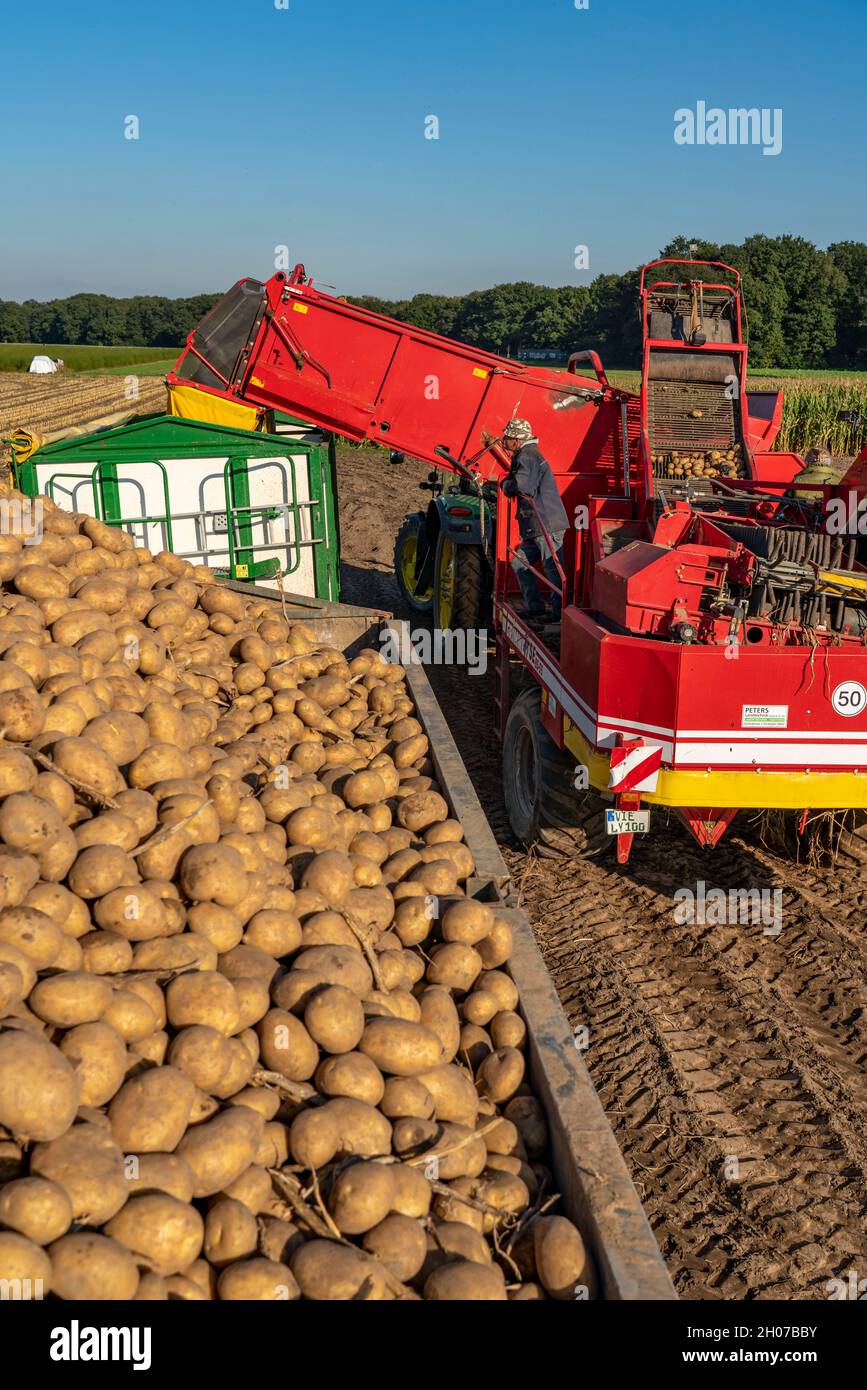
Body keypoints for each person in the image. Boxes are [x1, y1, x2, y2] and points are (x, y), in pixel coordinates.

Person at [500, 417, 569, 624]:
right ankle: (536, 608)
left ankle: (559, 614)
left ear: (516, 440)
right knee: (519, 562)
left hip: (545, 524)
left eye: (507, 437)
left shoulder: (527, 456)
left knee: (552, 568)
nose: (504, 440)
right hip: (537, 525)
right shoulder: (528, 454)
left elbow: (524, 487)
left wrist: (505, 484)